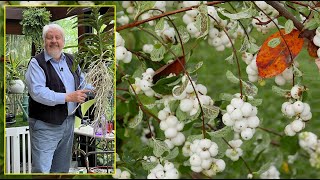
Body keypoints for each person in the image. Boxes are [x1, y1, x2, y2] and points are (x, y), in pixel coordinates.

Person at [25, 23, 91, 173]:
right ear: (44, 41)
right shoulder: (37, 63)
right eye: (50, 37)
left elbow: (83, 82)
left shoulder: (71, 60)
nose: (54, 41)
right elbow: (38, 92)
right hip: (45, 125)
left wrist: (99, 85)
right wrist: (68, 97)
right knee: (43, 170)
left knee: (61, 170)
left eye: (58, 37)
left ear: (63, 41)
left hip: (68, 123)